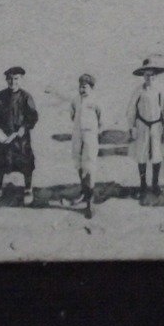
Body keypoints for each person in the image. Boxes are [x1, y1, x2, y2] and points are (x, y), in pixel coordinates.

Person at [0, 66, 39, 206]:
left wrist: (24, 128)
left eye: (16, 79)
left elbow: (33, 117)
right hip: (3, 138)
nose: (12, 82)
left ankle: (28, 189)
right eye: (9, 79)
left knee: (26, 163)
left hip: (20, 139)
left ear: (21, 79)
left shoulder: (26, 97)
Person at [125, 57, 164, 203]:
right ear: (143, 76)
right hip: (142, 126)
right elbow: (131, 110)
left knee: (157, 155)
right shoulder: (138, 91)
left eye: (152, 75)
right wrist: (131, 127)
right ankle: (143, 185)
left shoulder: (162, 90)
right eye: (147, 75)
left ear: (156, 76)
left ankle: (155, 184)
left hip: (156, 126)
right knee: (142, 155)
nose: (149, 78)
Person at [68, 74, 102, 219]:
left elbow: (101, 117)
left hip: (90, 135)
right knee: (78, 162)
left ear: (91, 87)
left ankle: (90, 202)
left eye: (85, 87)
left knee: (89, 165)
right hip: (77, 134)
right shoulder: (75, 100)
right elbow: (72, 115)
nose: (82, 90)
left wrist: (94, 132)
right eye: (80, 86)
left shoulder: (95, 100)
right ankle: (83, 191)